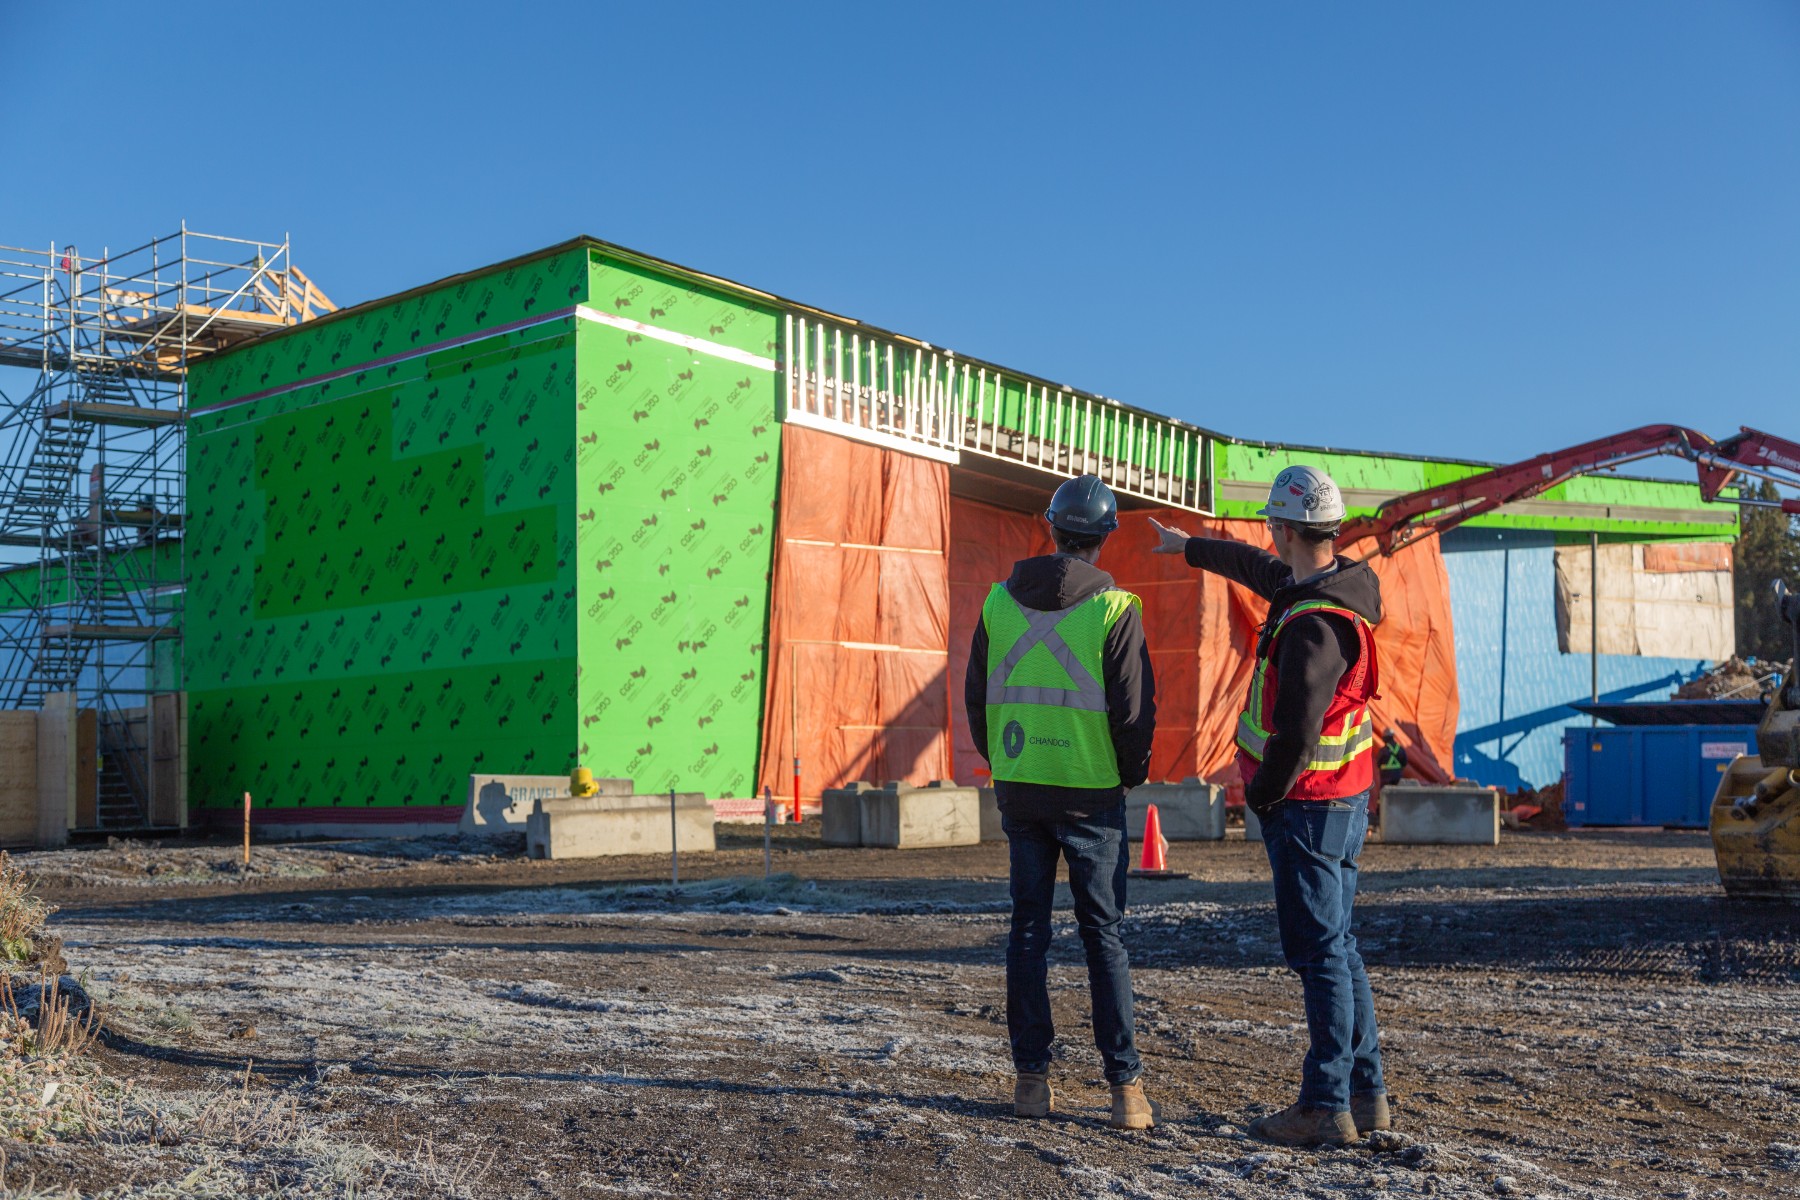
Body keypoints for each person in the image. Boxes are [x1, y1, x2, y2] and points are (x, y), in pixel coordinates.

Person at [1150, 464, 1389, 1147]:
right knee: (1338, 947)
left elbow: (1295, 735)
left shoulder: (1314, 626)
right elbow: (1256, 568)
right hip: (1338, 801)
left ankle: (1325, 1102)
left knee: (1318, 954)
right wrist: (1189, 547)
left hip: (1307, 807)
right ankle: (1365, 1094)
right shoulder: (1329, 587)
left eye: (1272, 529)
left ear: (1284, 528)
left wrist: (1260, 795)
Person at [965, 473, 1158, 1130]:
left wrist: (1007, 762)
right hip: (1092, 795)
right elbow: (1134, 713)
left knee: (1027, 932)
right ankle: (1126, 1092)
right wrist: (1127, 774)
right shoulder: (1114, 609)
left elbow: (976, 699)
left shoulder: (997, 603)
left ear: (1051, 528)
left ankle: (1031, 1082)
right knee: (1103, 936)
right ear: (1104, 538)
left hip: (1023, 792)